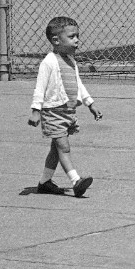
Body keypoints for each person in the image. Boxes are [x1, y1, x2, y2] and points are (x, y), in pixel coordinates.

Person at [28, 16, 102, 198]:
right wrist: (36, 110)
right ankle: (75, 180)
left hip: (68, 111)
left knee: (56, 149)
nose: (77, 40)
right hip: (53, 112)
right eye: (72, 36)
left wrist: (90, 103)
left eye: (77, 36)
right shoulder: (49, 62)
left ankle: (44, 183)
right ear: (56, 40)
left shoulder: (70, 60)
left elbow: (78, 84)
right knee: (64, 147)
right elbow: (40, 87)